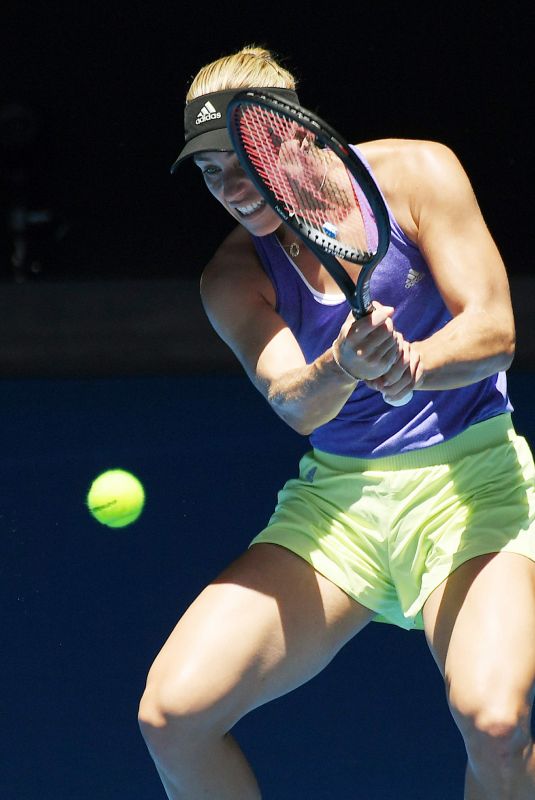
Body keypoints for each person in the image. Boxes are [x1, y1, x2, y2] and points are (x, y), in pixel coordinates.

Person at [138, 45, 535, 799]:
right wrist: (344, 367)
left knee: (494, 723)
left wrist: (412, 363)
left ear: (290, 134)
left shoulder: (417, 174)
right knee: (172, 715)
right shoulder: (231, 275)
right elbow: (292, 400)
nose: (227, 186)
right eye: (207, 171)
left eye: (238, 157)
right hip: (338, 511)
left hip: (472, 485)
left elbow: (493, 330)